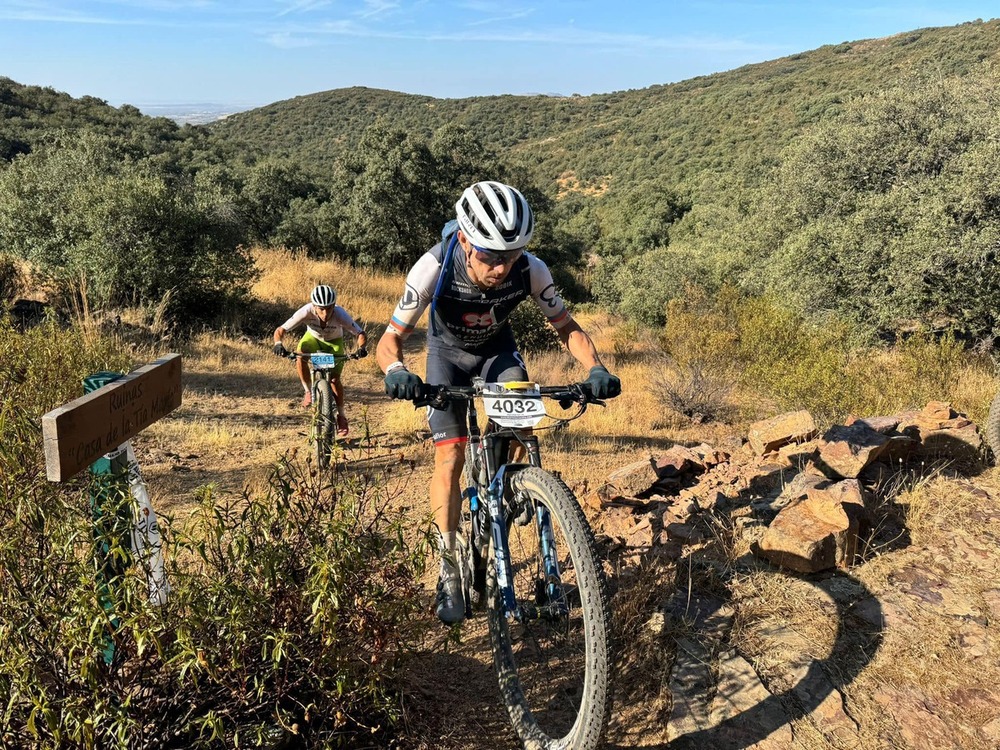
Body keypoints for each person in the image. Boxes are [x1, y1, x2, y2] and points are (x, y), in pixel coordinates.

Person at [376, 180, 621, 624]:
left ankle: (507, 490)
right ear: (466, 240)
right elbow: (390, 339)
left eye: (510, 256)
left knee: (522, 430)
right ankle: (448, 566)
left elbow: (566, 327)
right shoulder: (433, 265)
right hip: (445, 357)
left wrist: (596, 368)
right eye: (490, 256)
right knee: (449, 456)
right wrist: (397, 373)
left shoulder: (532, 269)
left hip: (497, 354)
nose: (501, 269)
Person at [273, 284, 368, 437]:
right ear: (314, 306)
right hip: (313, 339)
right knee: (300, 354)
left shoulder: (340, 314)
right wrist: (278, 344)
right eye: (321, 309)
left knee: (335, 380)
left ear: (334, 306)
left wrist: (361, 348)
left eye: (329, 308)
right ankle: (308, 391)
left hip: (334, 342)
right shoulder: (306, 311)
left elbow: (360, 333)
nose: (325, 313)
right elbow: (281, 330)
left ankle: (341, 416)